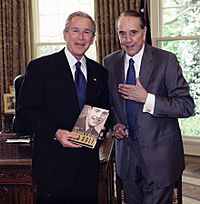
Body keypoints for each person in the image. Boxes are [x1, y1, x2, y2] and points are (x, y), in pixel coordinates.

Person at [17, 11, 110, 204]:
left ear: (92, 38)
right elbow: (25, 112)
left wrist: (101, 129)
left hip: (87, 167)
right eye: (76, 30)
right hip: (53, 166)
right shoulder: (40, 67)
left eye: (87, 32)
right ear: (65, 34)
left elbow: (103, 109)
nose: (81, 37)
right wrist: (55, 133)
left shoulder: (99, 72)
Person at [103, 10, 195, 204]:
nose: (127, 40)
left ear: (144, 32)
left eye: (133, 32)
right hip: (127, 158)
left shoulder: (166, 60)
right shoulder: (110, 63)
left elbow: (186, 106)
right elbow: (109, 106)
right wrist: (114, 127)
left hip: (160, 157)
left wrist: (147, 99)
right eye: (122, 33)